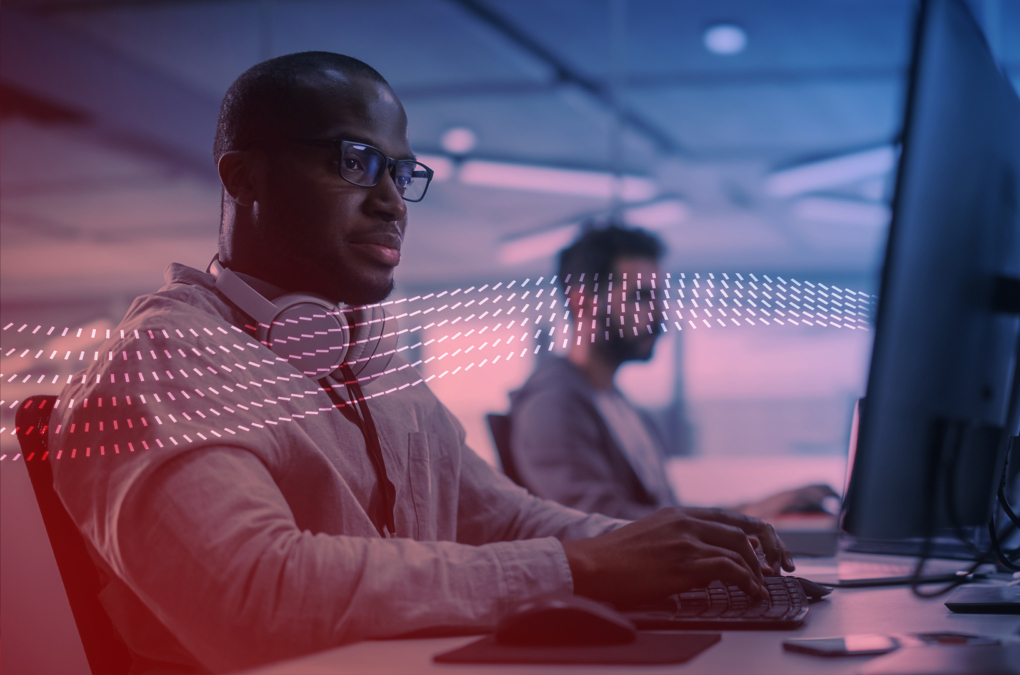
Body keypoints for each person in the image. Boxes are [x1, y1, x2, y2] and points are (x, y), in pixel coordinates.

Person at [48, 52, 791, 673]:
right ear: (243, 178)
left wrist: (661, 546)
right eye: (354, 160)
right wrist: (582, 568)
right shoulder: (166, 357)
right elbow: (255, 595)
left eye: (400, 173)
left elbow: (503, 518)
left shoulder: (369, 357)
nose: (391, 201)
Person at [508, 223, 837, 520]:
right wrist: (748, 515)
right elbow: (600, 525)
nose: (659, 316)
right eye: (641, 297)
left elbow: (660, 514)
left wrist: (755, 511)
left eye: (659, 297)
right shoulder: (553, 404)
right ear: (584, 303)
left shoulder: (616, 403)